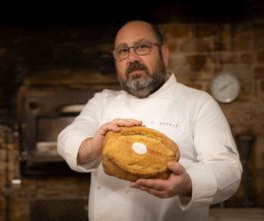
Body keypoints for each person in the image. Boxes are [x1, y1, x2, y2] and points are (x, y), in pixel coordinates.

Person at [57, 20, 242, 221]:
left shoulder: (198, 103)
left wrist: (188, 183)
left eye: (142, 47)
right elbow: (67, 137)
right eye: (122, 51)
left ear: (164, 54)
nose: (132, 58)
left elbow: (228, 170)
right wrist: (92, 147)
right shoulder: (103, 100)